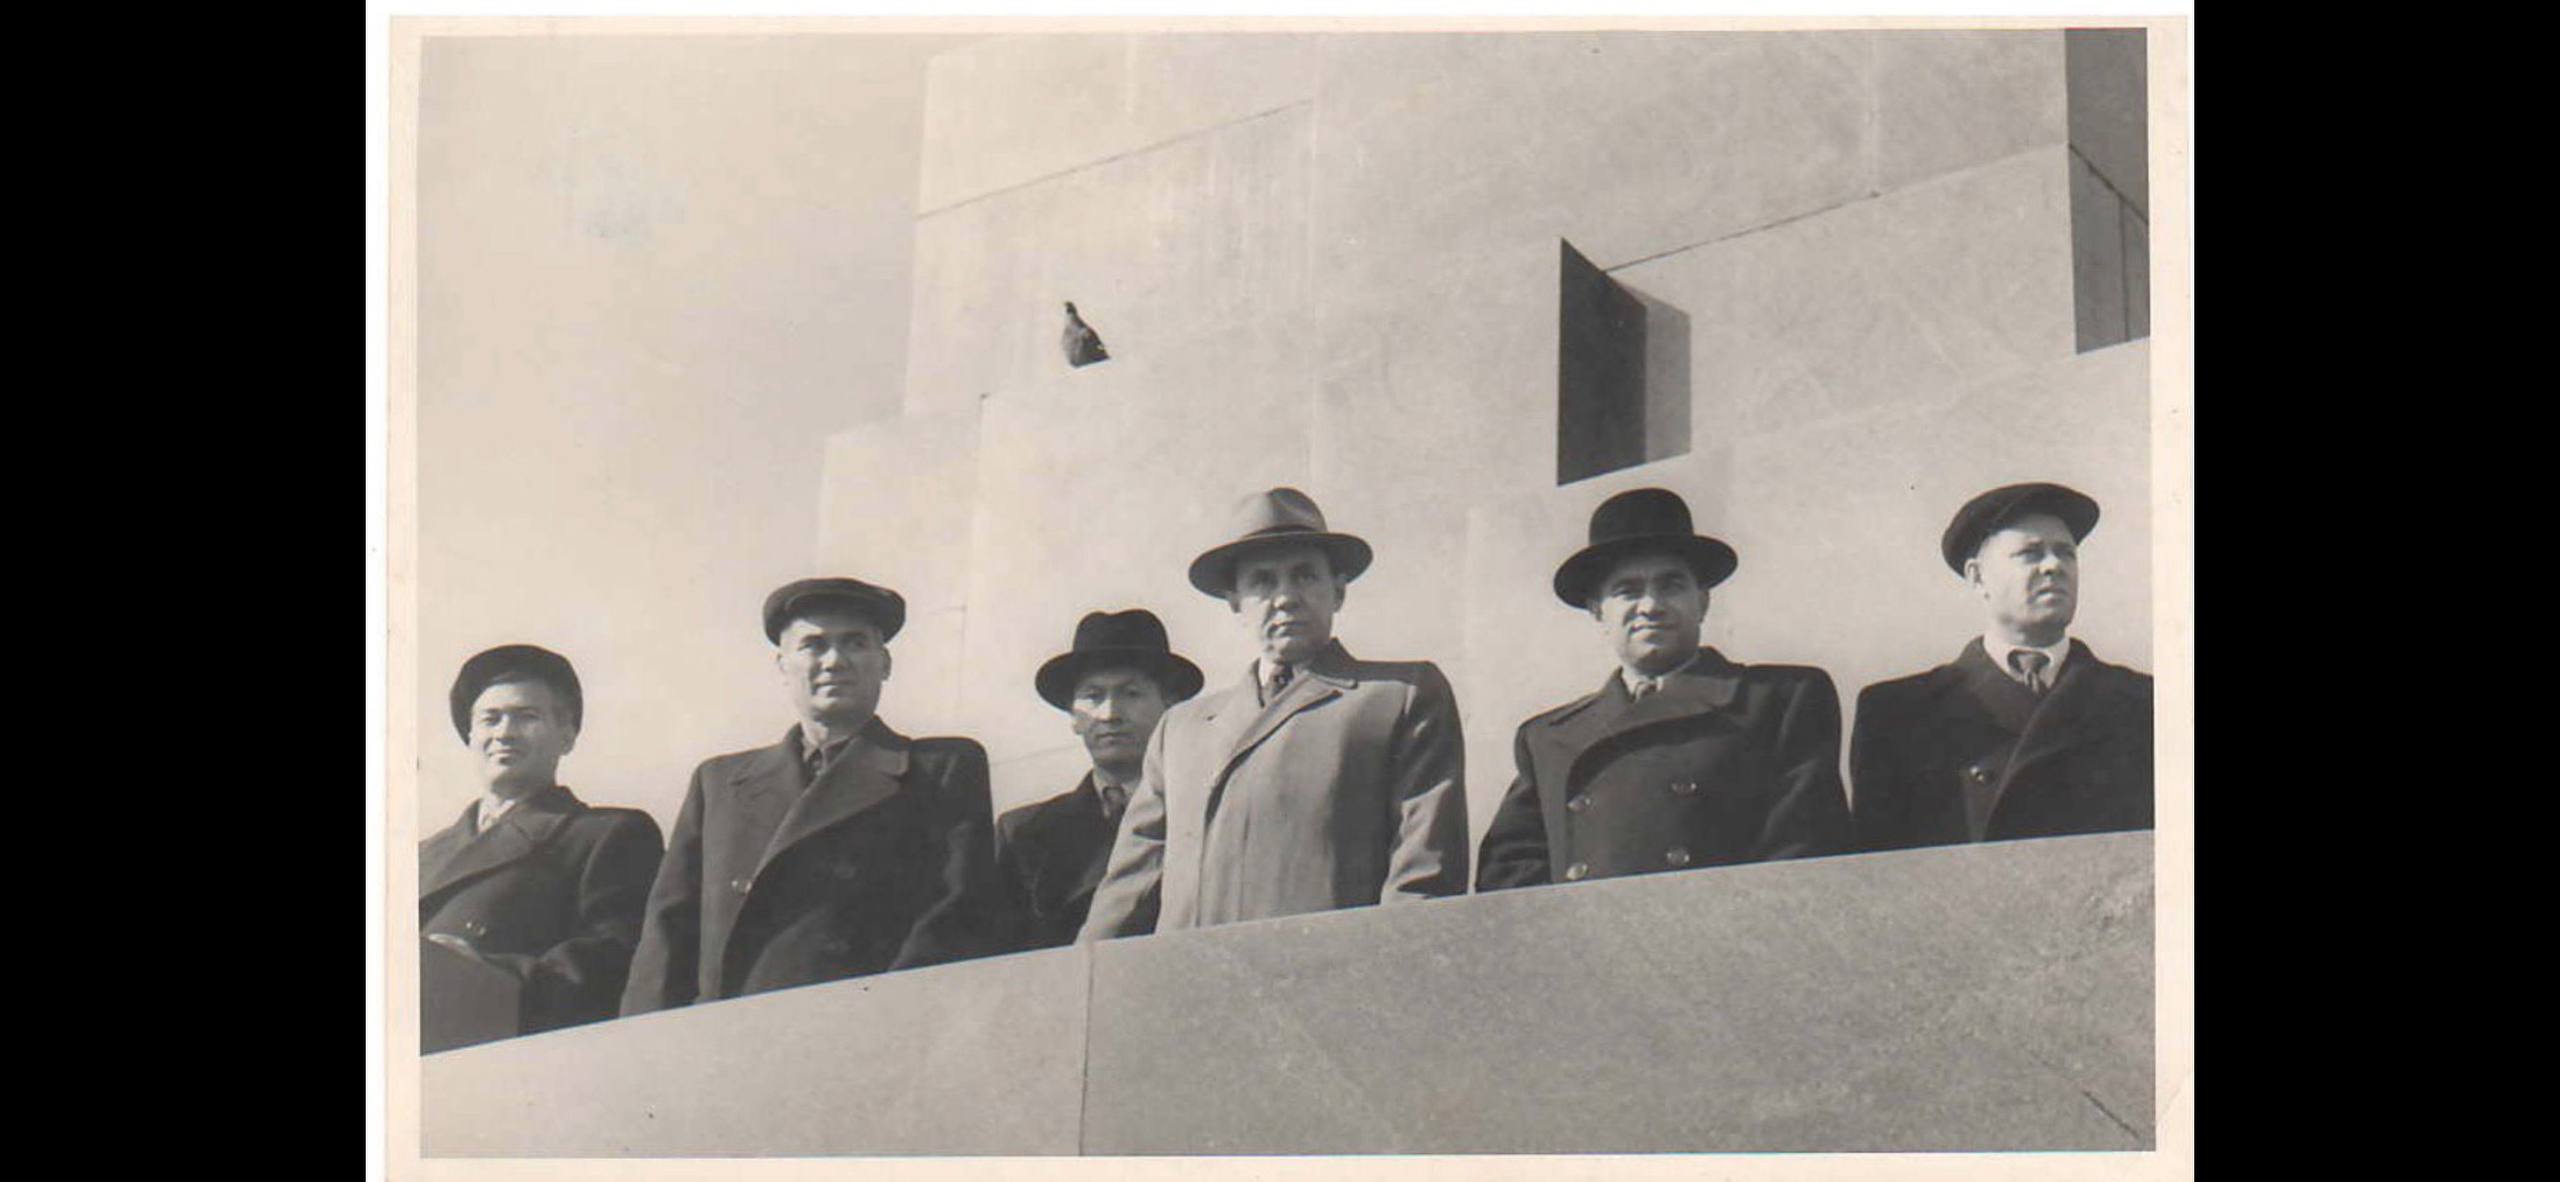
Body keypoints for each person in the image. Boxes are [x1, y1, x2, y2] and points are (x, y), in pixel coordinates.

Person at [1078, 487, 1468, 939]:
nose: (1285, 597)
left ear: (1337, 591)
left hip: (1326, 986)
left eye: (1304, 576)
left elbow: (1423, 876)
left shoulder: (1398, 696)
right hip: (1190, 992)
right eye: (1262, 581)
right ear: (1235, 603)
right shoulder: (1181, 729)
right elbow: (1129, 887)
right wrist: (1076, 983)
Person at [620, 577, 1003, 1015]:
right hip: (728, 1040)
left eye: (855, 643)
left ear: (885, 663)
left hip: (864, 1031)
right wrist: (643, 1046)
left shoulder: (941, 768)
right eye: (813, 645)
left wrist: (887, 1022)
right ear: (782, 665)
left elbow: (954, 911)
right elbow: (667, 934)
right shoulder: (720, 783)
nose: (835, 660)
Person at [1476, 488, 1851, 891]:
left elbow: (1802, 853)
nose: (1651, 605)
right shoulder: (1546, 738)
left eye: (1671, 585)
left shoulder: (1780, 699)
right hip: (1587, 947)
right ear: (1598, 611)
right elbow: (1508, 876)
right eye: (1628, 591)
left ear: (1702, 602)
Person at [1849, 482, 2153, 850]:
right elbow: (1879, 875)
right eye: (2030, 553)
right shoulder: (1898, 713)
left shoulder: (2144, 702)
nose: (2054, 566)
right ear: (1978, 577)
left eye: (2066, 553)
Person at [420, 644, 664, 1041]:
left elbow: (618, 959)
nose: (504, 733)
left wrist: (486, 971)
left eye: (526, 717)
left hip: (519, 1050)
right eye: (490, 719)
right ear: (470, 735)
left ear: (566, 736)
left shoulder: (608, 834)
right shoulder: (420, 857)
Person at [996, 609, 1204, 950]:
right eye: (1093, 696)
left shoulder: (1203, 814)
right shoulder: (1024, 832)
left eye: (1131, 693)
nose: (1110, 714)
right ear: (1074, 717)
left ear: (1171, 706)